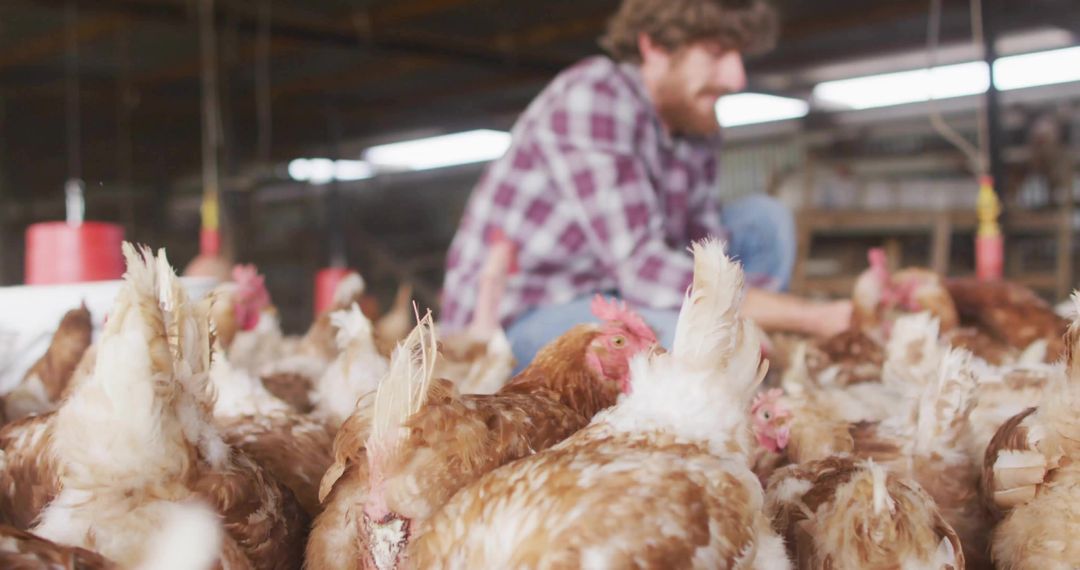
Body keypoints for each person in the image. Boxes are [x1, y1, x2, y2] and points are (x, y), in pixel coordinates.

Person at [440, 0, 852, 372]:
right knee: (678, 349)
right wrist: (809, 316)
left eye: (739, 55)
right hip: (522, 314)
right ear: (654, 46)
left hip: (619, 290)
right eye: (716, 53)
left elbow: (708, 247)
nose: (736, 76)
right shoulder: (595, 96)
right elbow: (642, 267)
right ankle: (746, 346)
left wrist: (754, 312)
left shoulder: (696, 125)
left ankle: (749, 344)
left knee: (763, 220)